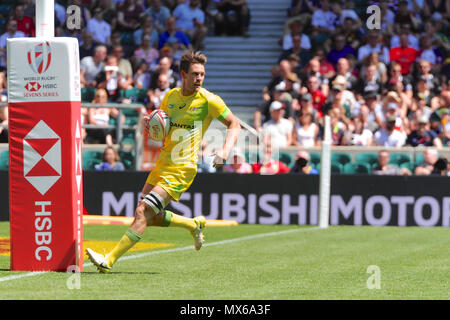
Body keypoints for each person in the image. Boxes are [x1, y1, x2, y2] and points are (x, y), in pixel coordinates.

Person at [86, 51, 241, 273]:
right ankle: (192, 224)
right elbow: (162, 127)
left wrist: (224, 151)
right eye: (195, 74)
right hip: (162, 165)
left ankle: (108, 260)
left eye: (202, 74)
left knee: (142, 211)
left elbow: (234, 124)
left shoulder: (209, 100)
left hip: (182, 169)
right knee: (149, 216)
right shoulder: (170, 97)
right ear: (183, 74)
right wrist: (152, 125)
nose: (199, 79)